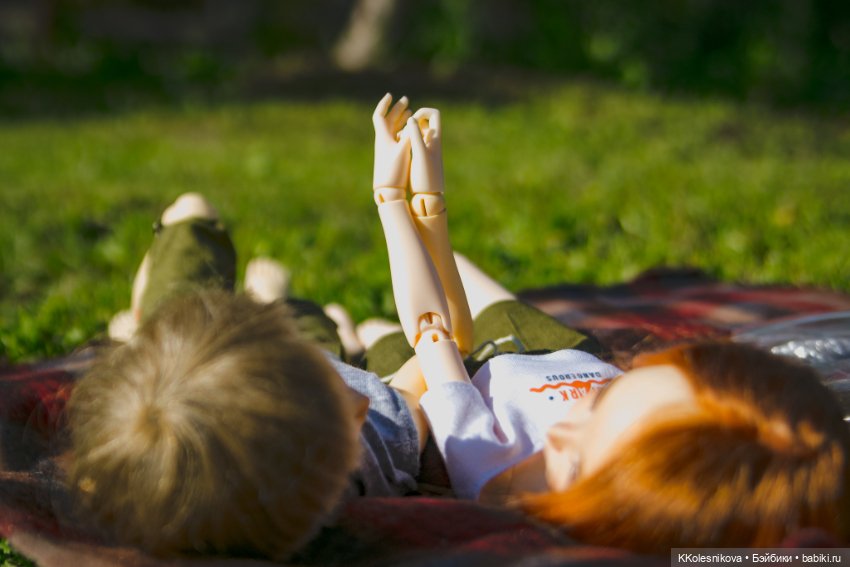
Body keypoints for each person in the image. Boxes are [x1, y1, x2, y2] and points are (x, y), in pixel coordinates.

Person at [369, 94, 850, 552]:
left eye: (577, 465)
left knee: (381, 344)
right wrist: (430, 199)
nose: (561, 430)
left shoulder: (487, 470)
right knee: (494, 298)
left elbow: (439, 333)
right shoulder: (684, 423)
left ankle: (353, 327)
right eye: (609, 396)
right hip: (560, 350)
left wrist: (393, 198)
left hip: (472, 369)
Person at [67, 192, 428, 560]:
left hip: (181, 331)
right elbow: (416, 391)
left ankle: (273, 305)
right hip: (207, 342)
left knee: (192, 210)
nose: (358, 400)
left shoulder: (147, 432)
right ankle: (311, 318)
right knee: (352, 334)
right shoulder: (364, 454)